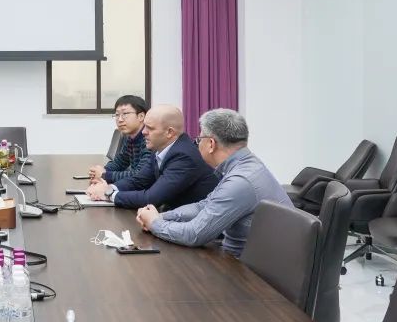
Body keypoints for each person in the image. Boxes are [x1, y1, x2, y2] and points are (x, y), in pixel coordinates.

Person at [136, 109, 292, 258]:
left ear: (211, 144)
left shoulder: (240, 181)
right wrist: (162, 216)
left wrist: (154, 223)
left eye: (199, 140)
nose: (197, 144)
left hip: (243, 269)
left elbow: (194, 234)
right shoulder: (246, 165)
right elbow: (203, 206)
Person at [86, 104, 217, 210]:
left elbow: (151, 198)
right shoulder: (161, 147)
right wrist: (109, 188)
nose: (144, 132)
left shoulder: (184, 156)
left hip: (195, 227)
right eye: (145, 127)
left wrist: (108, 194)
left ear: (169, 132)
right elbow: (139, 180)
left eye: (150, 128)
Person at [88, 95, 151, 183]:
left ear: (141, 116)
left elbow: (139, 175)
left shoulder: (149, 139)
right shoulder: (130, 137)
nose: (120, 119)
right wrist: (102, 171)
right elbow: (120, 162)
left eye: (125, 114)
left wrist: (105, 175)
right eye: (117, 115)